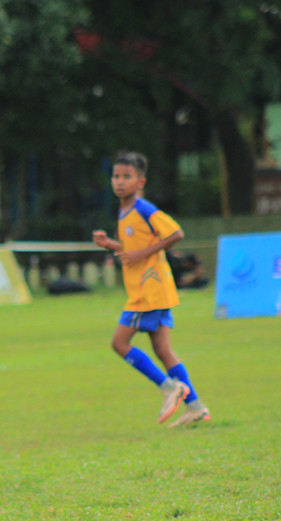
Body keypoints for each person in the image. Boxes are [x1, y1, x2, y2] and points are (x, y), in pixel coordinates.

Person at [92, 152, 209, 427]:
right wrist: (111, 245)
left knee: (119, 344)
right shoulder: (123, 211)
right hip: (154, 289)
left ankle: (168, 387)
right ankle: (195, 407)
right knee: (163, 350)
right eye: (116, 176)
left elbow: (176, 233)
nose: (120, 181)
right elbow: (133, 249)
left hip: (148, 290)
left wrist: (140, 254)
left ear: (140, 182)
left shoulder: (144, 208)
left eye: (127, 176)